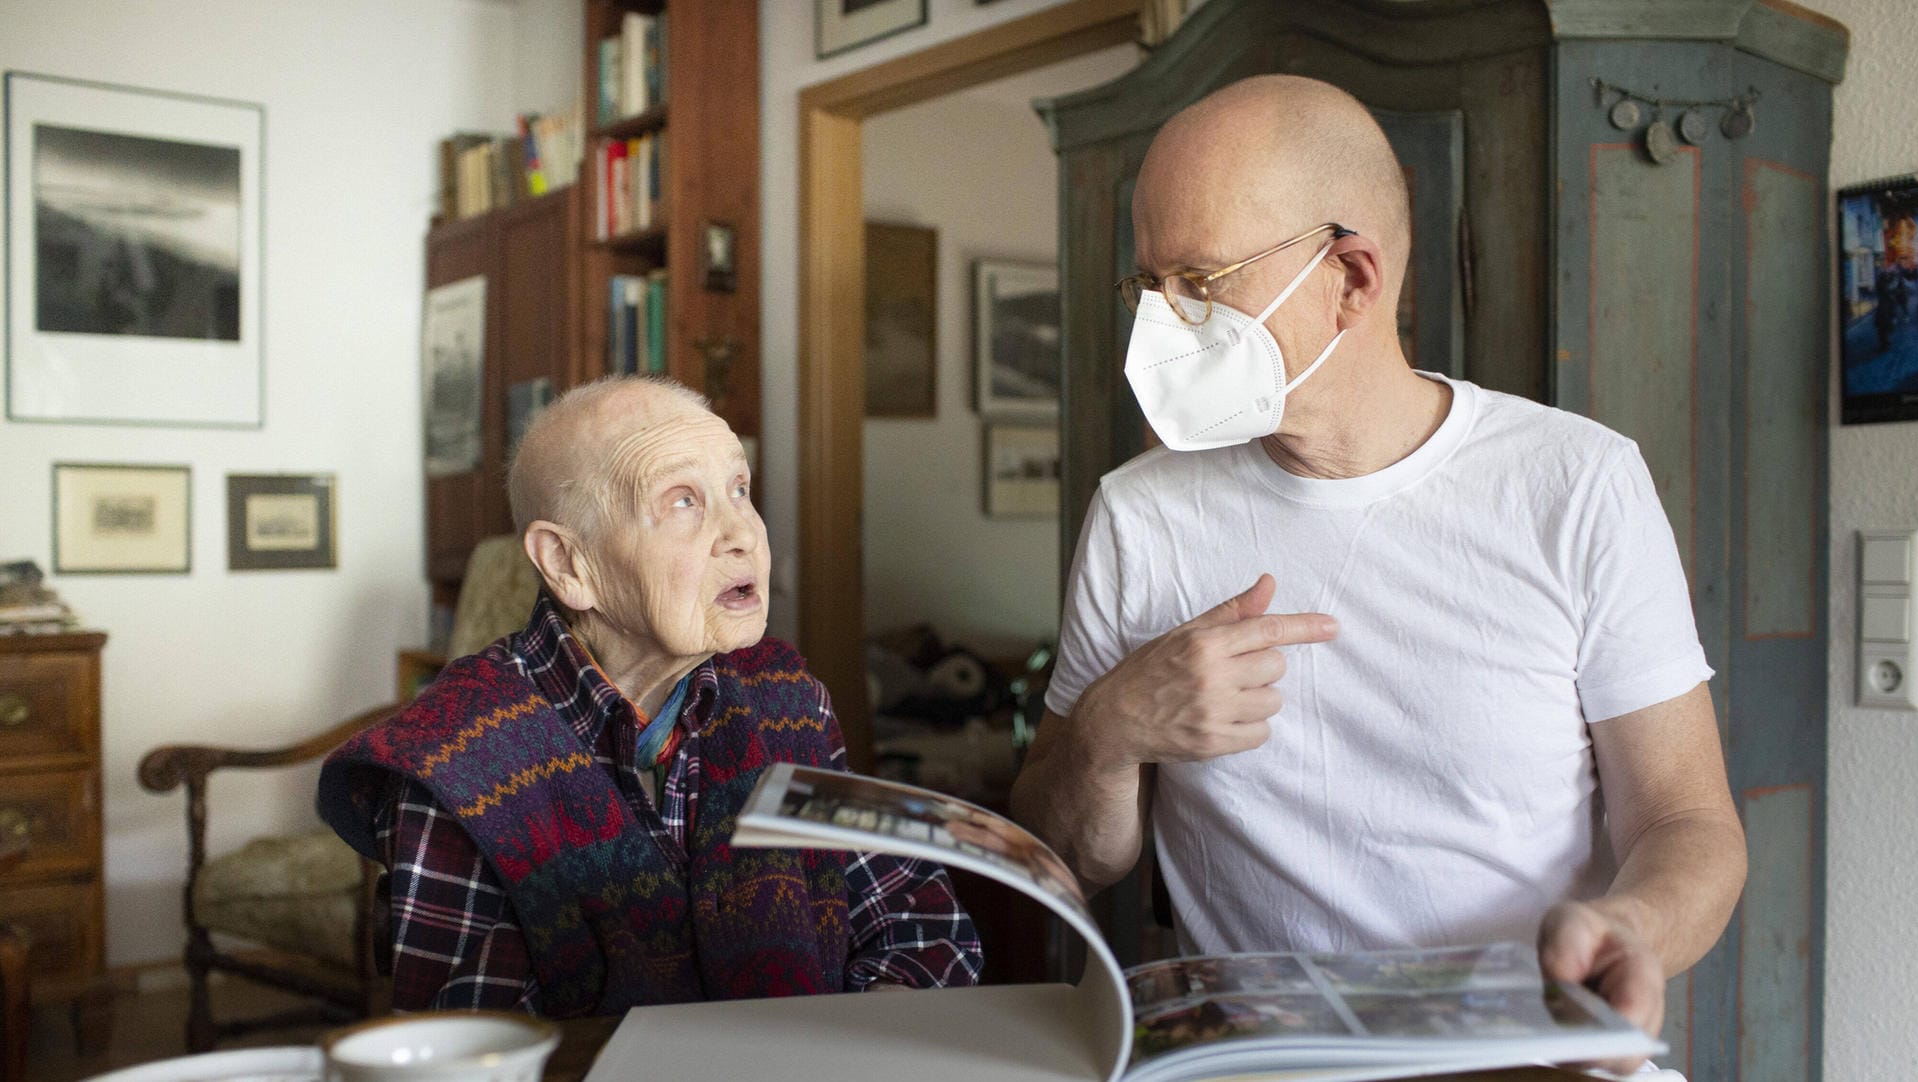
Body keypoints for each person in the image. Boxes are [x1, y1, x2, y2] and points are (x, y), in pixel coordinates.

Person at [1009, 75, 1745, 1072]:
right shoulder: (1140, 516)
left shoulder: (1576, 483)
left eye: (1200, 281)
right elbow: (1063, 856)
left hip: (1528, 1060)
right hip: (1256, 1061)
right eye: (1150, 285)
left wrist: (1631, 928)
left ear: (1353, 275)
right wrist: (1108, 729)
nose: (1162, 326)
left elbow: (1688, 820)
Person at [320, 376, 981, 1015]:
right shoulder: (456, 759)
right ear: (567, 564)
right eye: (683, 501)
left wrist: (878, 1025)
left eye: (740, 489)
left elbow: (916, 925)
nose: (744, 533)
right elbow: (477, 1053)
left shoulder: (787, 697)